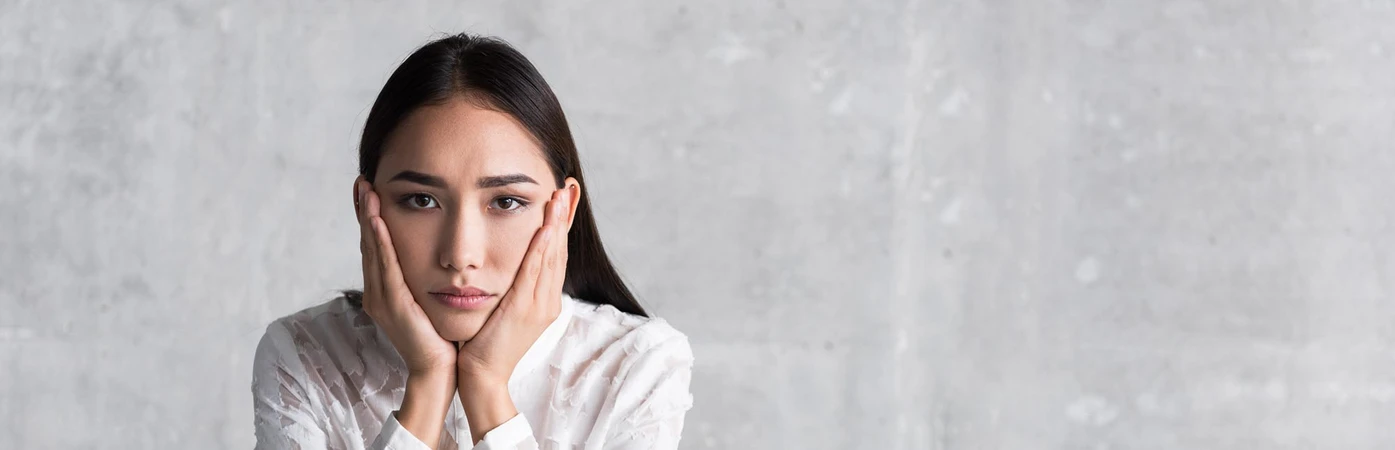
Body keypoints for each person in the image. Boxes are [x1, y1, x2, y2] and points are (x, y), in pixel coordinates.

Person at [251, 33, 694, 450]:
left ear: (563, 210)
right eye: (421, 200)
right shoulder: (304, 354)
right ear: (367, 205)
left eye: (505, 202)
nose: (460, 255)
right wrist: (426, 387)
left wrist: (486, 388)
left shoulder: (638, 365)